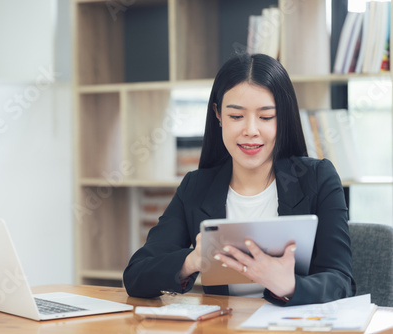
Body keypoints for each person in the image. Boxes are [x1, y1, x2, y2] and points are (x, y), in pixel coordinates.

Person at [123, 53, 355, 306]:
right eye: (236, 116)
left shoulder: (318, 178)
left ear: (284, 117)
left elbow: (341, 283)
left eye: (266, 117)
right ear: (218, 115)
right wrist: (194, 260)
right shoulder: (196, 186)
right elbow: (136, 276)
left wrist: (288, 285)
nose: (251, 130)